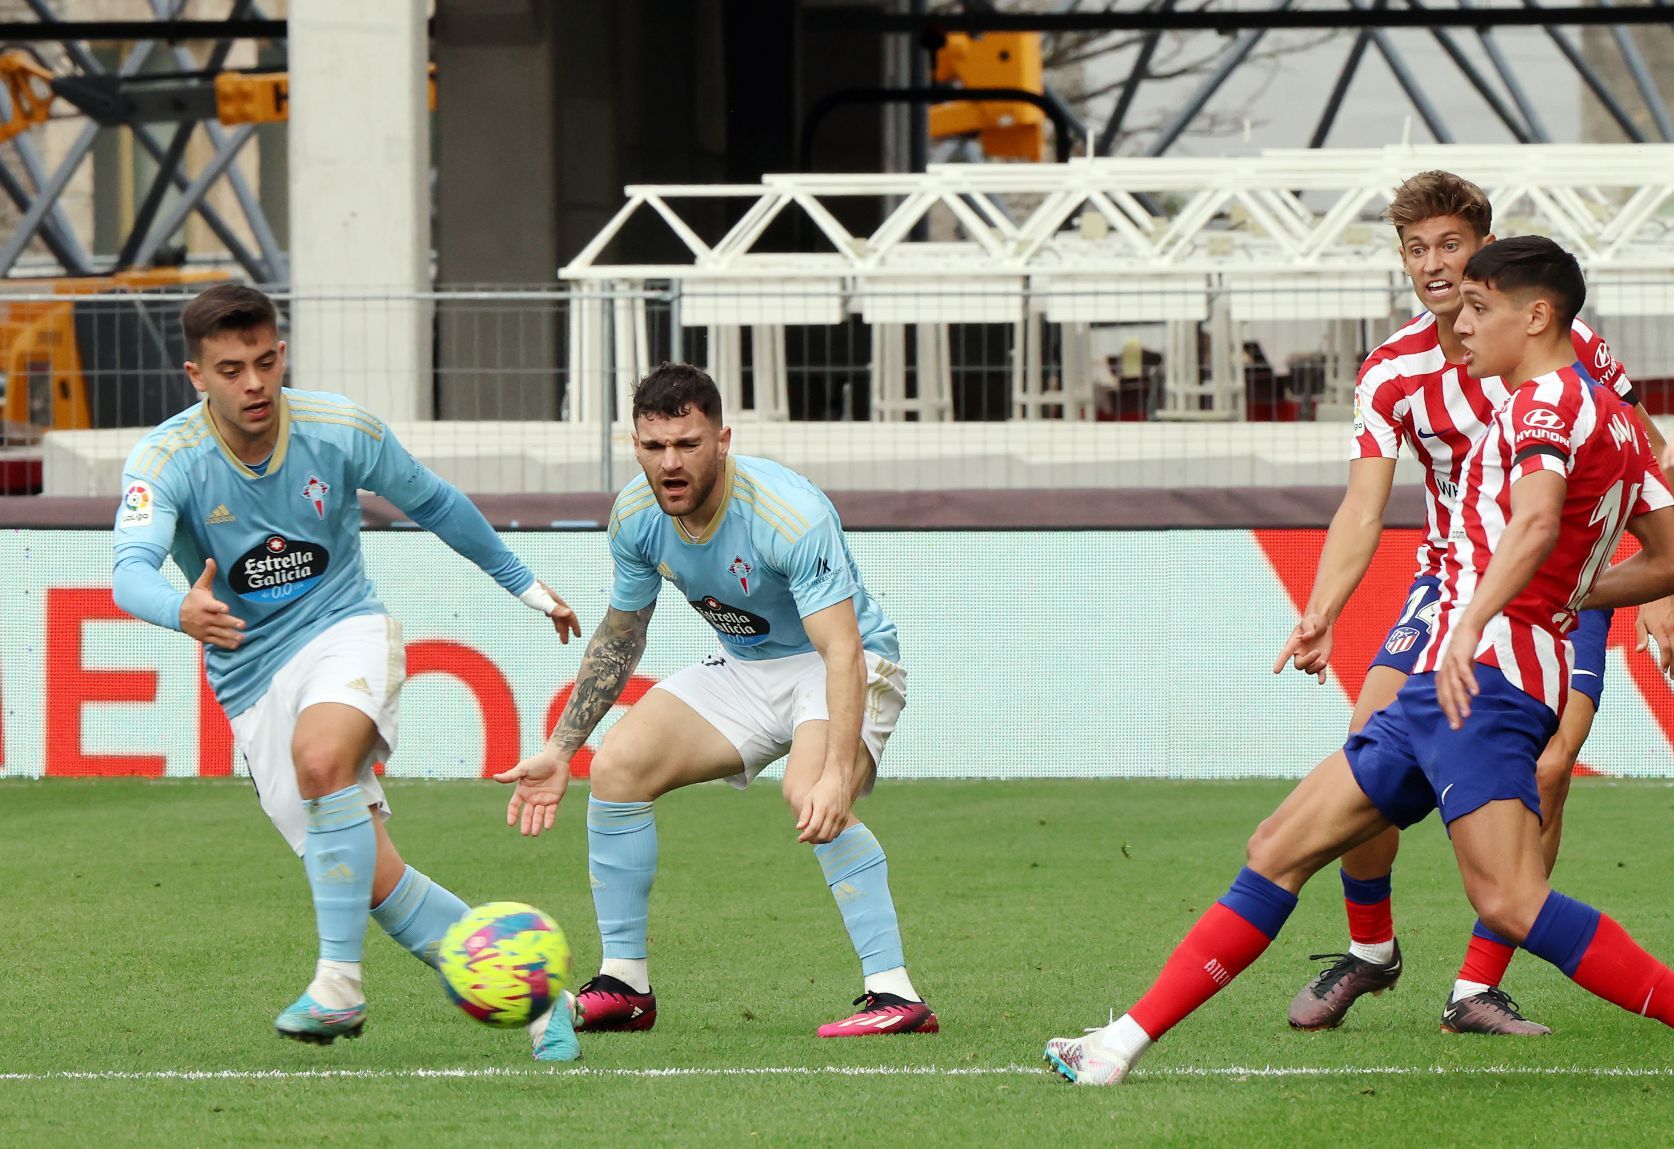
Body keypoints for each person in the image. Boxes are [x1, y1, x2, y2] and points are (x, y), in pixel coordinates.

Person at [1047, 236, 1674, 1086]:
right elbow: (1667, 556)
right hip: (1452, 687)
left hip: (1481, 684)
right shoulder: (1613, 420)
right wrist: (1567, 598)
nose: (1464, 323)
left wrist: (1476, 619)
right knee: (1275, 846)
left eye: (1481, 307)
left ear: (1536, 316)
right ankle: (1117, 1044)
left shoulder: (1542, 407)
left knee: (1510, 901)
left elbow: (1532, 524)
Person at [111, 284, 586, 1060]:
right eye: (232, 370)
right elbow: (129, 569)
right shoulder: (167, 458)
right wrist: (178, 610)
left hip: (345, 629)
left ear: (281, 353)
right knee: (373, 878)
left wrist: (524, 584)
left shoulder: (337, 428)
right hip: (250, 679)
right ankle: (542, 1000)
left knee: (323, 757)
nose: (255, 383)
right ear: (196, 377)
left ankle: (338, 985)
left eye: (266, 361)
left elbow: (433, 501)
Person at [1273, 171, 1674, 1035]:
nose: (1433, 264)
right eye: (1416, 250)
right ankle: (1372, 948)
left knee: (1550, 769)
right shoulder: (1393, 372)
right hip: (1456, 584)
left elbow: (1645, 451)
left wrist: (1658, 586)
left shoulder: (1565, 343)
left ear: (1484, 248)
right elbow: (1363, 506)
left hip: (1566, 583)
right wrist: (1323, 606)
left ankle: (1476, 985)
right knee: (1368, 745)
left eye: (1449, 244)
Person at [493, 362, 937, 1038]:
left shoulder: (789, 513)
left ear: (722, 440)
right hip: (747, 666)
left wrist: (838, 774)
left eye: (688, 444)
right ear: (634, 444)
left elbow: (842, 651)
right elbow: (622, 633)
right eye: (654, 446)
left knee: (809, 789)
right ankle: (625, 985)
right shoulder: (637, 517)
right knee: (617, 768)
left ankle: (895, 994)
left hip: (841, 657)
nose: (670, 462)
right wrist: (560, 748)